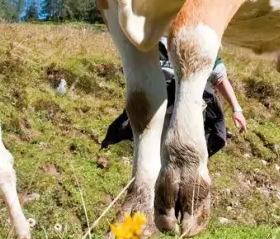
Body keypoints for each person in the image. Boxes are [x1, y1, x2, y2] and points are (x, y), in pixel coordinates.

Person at [100, 40, 247, 155]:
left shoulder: (198, 41)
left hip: (188, 108)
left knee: (184, 151)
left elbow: (220, 78)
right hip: (155, 103)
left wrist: (236, 109)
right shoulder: (149, 38)